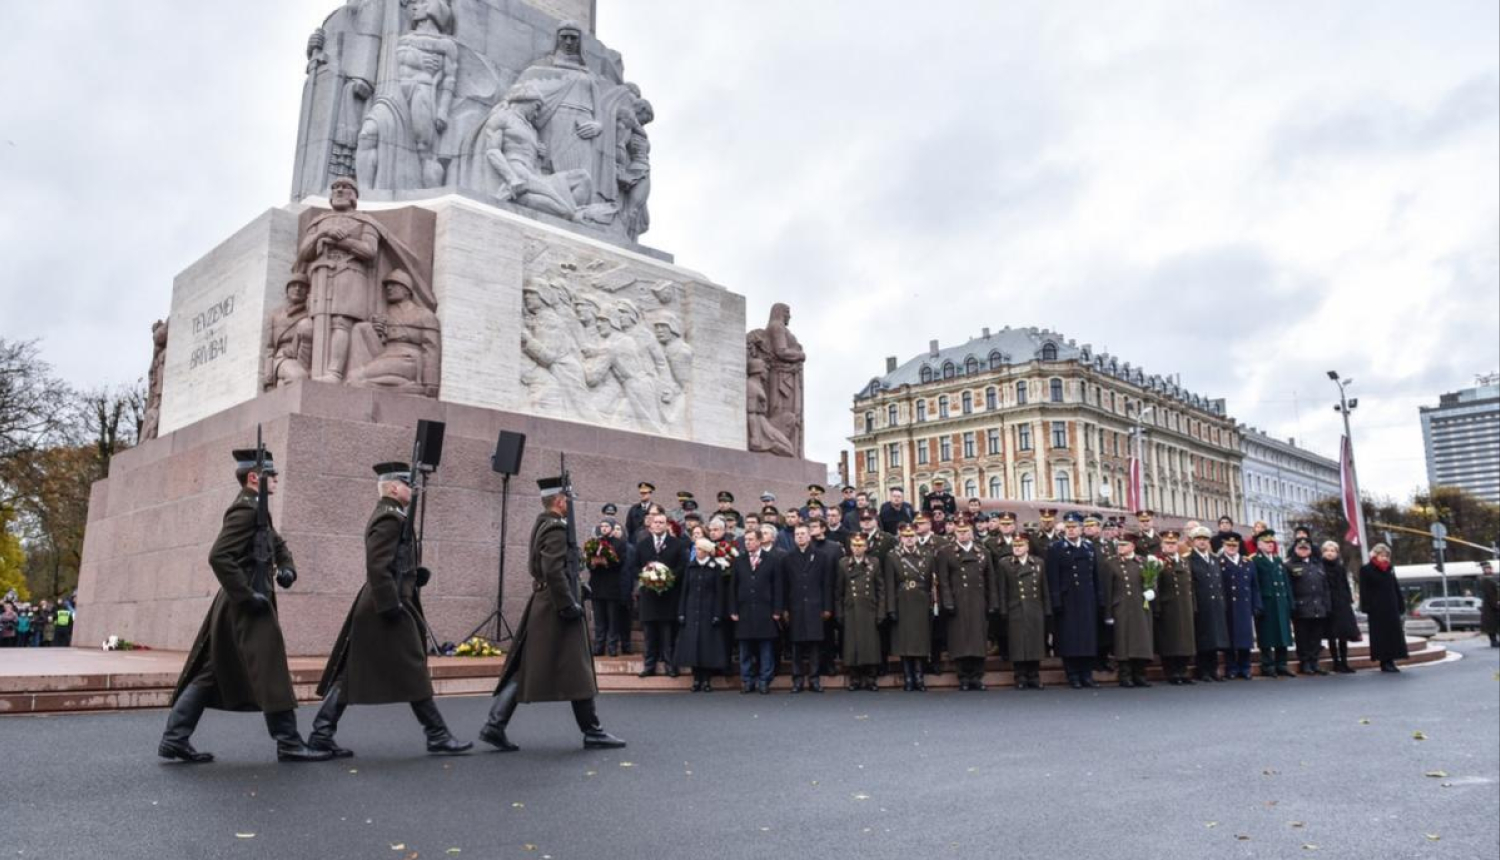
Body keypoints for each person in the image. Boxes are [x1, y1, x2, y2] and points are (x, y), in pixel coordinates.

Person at [158, 448, 330, 764]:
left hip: (243, 601)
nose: (276, 478)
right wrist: (247, 596)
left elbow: (277, 543)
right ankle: (289, 742)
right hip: (247, 603)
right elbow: (218, 556)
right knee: (271, 668)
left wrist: (286, 567)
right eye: (271, 474)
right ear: (254, 477)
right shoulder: (246, 509)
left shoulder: (258, 509)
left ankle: (174, 739)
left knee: (211, 672)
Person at [310, 462, 472, 758]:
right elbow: (377, 565)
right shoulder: (389, 518)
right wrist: (391, 606)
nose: (413, 490)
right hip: (384, 606)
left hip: (386, 603)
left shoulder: (395, 516)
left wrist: (413, 574)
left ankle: (322, 732)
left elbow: (393, 562)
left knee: (353, 671)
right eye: (408, 484)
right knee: (411, 665)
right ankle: (437, 735)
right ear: (395, 487)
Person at [478, 476, 626, 752]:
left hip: (547, 603)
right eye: (568, 499)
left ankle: (494, 725)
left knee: (529, 666)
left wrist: (578, 585)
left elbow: (554, 567)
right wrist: (568, 603)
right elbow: (552, 569)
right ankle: (592, 731)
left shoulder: (544, 522)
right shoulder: (556, 528)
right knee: (577, 667)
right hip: (556, 607)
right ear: (560, 501)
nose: (570, 503)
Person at [938, 522, 995, 691]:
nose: (963, 535)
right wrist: (947, 601)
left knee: (977, 639)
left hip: (978, 601)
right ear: (955, 533)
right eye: (959, 532)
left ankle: (977, 676)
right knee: (960, 640)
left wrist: (993, 602)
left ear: (972, 533)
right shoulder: (946, 552)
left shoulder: (983, 551)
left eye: (966, 532)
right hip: (958, 600)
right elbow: (944, 580)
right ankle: (963, 676)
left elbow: (990, 579)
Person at [1048, 512, 1102, 689]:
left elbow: (1095, 575)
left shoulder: (1088, 547)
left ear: (1081, 529)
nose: (1071, 531)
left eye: (1075, 528)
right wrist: (1056, 601)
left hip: (1086, 598)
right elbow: (1053, 576)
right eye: (1068, 528)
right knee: (1069, 638)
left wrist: (1098, 598)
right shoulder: (1056, 548)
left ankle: (1086, 674)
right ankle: (1073, 675)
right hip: (1067, 598)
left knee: (1087, 638)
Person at [631, 511, 685, 678]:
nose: (658, 525)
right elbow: (634, 567)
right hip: (649, 597)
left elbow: (682, 566)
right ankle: (649, 666)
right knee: (650, 635)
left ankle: (670, 666)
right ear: (651, 525)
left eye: (662, 522)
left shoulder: (677, 544)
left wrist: (667, 579)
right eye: (655, 522)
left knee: (668, 635)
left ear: (666, 525)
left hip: (668, 597)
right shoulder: (642, 544)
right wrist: (647, 577)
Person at [728, 527, 781, 694]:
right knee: (745, 649)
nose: (747, 543)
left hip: (765, 611)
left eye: (751, 540)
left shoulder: (772, 560)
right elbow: (733, 588)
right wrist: (733, 609)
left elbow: (778, 587)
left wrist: (777, 610)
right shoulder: (739, 561)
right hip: (744, 611)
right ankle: (747, 680)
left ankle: (764, 680)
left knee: (766, 648)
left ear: (759, 541)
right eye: (746, 540)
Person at [884, 524, 935, 692]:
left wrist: (931, 603)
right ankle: (908, 677)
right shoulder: (893, 556)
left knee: (920, 640)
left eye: (912, 535)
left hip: (920, 601)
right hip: (902, 600)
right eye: (906, 536)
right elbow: (890, 584)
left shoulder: (927, 554)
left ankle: (919, 677)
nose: (909, 539)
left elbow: (930, 583)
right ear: (900, 537)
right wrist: (891, 608)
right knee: (904, 641)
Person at [782, 524, 832, 693]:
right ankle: (797, 680)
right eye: (797, 535)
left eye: (803, 534)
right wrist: (785, 609)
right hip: (795, 607)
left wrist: (826, 607)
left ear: (809, 536)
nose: (800, 537)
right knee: (796, 645)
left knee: (814, 645)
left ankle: (814, 679)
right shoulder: (787, 557)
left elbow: (826, 584)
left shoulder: (821, 556)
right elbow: (784, 586)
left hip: (815, 606)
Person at [1101, 533, 1154, 688]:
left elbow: (1151, 581)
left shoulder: (1143, 562)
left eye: (1123, 545)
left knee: (1141, 641)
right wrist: (1108, 613)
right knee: (1123, 642)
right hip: (1121, 607)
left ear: (1132, 546)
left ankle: (1140, 674)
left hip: (1140, 606)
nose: (1120, 548)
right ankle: (1125, 674)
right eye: (1118, 545)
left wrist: (1152, 590)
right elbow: (1108, 590)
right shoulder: (1111, 563)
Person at [997, 533, 1049, 690]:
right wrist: (1003, 609)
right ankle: (1020, 675)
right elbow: (1002, 589)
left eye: (1020, 546)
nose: (1017, 548)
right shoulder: (1005, 564)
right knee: (1018, 643)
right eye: (1015, 546)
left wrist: (1047, 608)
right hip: (1016, 607)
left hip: (1034, 607)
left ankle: (1034, 675)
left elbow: (1043, 588)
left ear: (1027, 547)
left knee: (1035, 642)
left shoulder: (1038, 563)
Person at [675, 538, 726, 692]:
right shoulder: (690, 567)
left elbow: (719, 593)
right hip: (691, 610)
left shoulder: (714, 568)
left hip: (708, 611)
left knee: (706, 647)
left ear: (705, 551)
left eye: (699, 549)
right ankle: (696, 679)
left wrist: (717, 613)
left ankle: (706, 680)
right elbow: (685, 591)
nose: (697, 551)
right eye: (696, 549)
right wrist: (681, 612)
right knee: (692, 647)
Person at [835, 535, 885, 691]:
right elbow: (839, 592)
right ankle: (855, 678)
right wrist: (840, 612)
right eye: (854, 545)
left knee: (870, 644)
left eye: (860, 545)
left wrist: (881, 611)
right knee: (852, 644)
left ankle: (871, 678)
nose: (857, 548)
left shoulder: (874, 563)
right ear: (850, 547)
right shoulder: (843, 563)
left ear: (866, 547)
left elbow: (880, 590)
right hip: (851, 609)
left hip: (869, 609)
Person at [1153, 531, 1196, 685]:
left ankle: (1183, 671)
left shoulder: (1184, 562)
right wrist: (1156, 608)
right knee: (1170, 642)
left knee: (1185, 640)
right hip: (1168, 607)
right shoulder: (1158, 561)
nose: (1171, 546)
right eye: (1167, 544)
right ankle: (1172, 672)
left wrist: (1193, 606)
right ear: (1162, 545)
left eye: (1173, 544)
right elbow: (1154, 586)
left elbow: (1191, 586)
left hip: (1184, 607)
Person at [1358, 543, 1408, 673]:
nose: (1384, 558)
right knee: (1381, 636)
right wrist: (1366, 606)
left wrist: (1400, 604)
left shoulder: (1390, 569)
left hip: (1391, 607)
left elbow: (1395, 587)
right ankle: (1384, 661)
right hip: (1377, 609)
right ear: (1375, 555)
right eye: (1381, 555)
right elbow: (1364, 590)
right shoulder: (1366, 569)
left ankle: (1391, 660)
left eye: (1386, 556)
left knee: (1393, 635)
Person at [1188, 526, 1229, 681]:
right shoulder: (1190, 559)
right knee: (1203, 638)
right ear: (1193, 542)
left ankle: (1213, 669)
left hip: (1216, 603)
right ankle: (1203, 670)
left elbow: (1220, 583)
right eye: (1199, 539)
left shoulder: (1214, 559)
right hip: (1201, 603)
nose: (1202, 542)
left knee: (1215, 638)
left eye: (1205, 539)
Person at [1252, 530, 1295, 678]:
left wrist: (1290, 601)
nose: (1270, 545)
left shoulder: (1277, 560)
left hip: (1280, 601)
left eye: (1272, 543)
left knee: (1282, 633)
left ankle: (1281, 664)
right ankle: (1267, 665)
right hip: (1267, 602)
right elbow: (1255, 584)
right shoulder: (1255, 561)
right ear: (1259, 545)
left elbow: (1286, 583)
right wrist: (1257, 604)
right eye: (1267, 543)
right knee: (1267, 635)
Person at [1286, 538, 1331, 675]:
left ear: (1310, 550)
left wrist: (1327, 604)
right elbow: (1289, 588)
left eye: (1306, 548)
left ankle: (1314, 661)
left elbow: (1325, 587)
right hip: (1301, 607)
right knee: (1303, 637)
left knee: (1316, 637)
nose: (1304, 550)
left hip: (1318, 606)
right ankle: (1305, 662)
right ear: (1296, 549)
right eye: (1301, 548)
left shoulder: (1317, 564)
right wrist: (1292, 605)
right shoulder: (1289, 565)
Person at [586, 517, 630, 657]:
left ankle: (612, 647)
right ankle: (598, 647)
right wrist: (592, 563)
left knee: (612, 619)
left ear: (612, 528)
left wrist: (607, 562)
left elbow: (621, 562)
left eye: (606, 526)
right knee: (599, 619)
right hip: (598, 586)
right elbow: (588, 562)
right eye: (602, 526)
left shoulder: (620, 543)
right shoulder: (594, 543)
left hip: (612, 587)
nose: (604, 528)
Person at [1219, 535, 1260, 681]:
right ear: (1223, 546)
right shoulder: (1219, 562)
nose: (1231, 548)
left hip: (1244, 605)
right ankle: (1231, 668)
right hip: (1227, 606)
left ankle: (1245, 667)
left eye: (1234, 546)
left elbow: (1254, 586)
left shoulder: (1247, 562)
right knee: (1229, 639)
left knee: (1245, 638)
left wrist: (1256, 604)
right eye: (1228, 545)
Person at [1321, 541, 1361, 672]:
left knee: (1343, 635)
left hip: (1342, 603)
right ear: (1323, 552)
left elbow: (1345, 584)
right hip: (1328, 604)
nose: (1330, 553)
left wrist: (1348, 600)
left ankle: (1344, 661)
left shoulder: (1340, 567)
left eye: (1333, 550)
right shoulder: (1320, 567)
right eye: (1327, 550)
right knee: (1332, 635)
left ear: (1337, 553)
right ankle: (1336, 662)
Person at [1478, 560, 1498, 648]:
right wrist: (1496, 605)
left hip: (1493, 605)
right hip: (1490, 606)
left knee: (1494, 624)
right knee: (1491, 625)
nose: (1488, 570)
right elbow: (1490, 594)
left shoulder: (1492, 578)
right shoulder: (1485, 580)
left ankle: (1494, 641)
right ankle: (1493, 641)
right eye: (1486, 569)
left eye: (1489, 568)